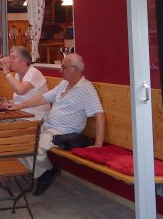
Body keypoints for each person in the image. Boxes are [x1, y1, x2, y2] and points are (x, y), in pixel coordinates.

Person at [10, 53, 105, 196]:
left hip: (63, 132)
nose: (61, 70)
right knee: (16, 142)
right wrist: (19, 106)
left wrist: (98, 144)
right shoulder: (63, 84)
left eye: (64, 67)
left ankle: (47, 171)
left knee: (33, 148)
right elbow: (43, 98)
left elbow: (99, 114)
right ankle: (43, 171)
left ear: (75, 69)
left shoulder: (86, 89)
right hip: (47, 126)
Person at [0, 46, 50, 121]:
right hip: (20, 113)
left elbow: (21, 91)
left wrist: (6, 72)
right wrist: (9, 103)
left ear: (24, 60)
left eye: (13, 57)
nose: (10, 60)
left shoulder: (33, 73)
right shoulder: (17, 74)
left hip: (35, 117)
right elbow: (21, 97)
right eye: (10, 57)